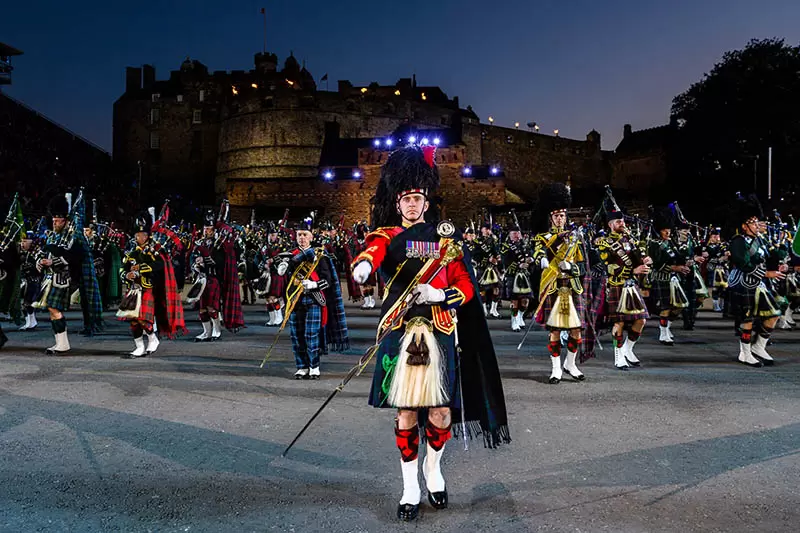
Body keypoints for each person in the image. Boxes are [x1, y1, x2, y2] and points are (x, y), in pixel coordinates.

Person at [351, 145, 509, 522]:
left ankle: (433, 469)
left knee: (440, 412)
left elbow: (466, 285)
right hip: (400, 328)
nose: (410, 204)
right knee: (405, 412)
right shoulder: (385, 235)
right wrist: (362, 267)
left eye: (416, 197)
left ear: (426, 201)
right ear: (397, 201)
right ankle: (409, 485)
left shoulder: (445, 240)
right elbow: (371, 253)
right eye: (405, 198)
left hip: (439, 329)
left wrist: (440, 293)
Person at [278, 215, 349, 379]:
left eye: (305, 235)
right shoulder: (291, 255)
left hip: (314, 299)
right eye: (299, 235)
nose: (302, 238)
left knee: (311, 334)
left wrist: (314, 285)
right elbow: (286, 280)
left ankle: (314, 366)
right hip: (295, 300)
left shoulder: (320, 255)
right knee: (297, 334)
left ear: (311, 236)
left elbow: (329, 280)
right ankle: (301, 366)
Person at [532, 182, 587, 383]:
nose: (560, 218)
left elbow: (583, 264)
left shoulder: (575, 238)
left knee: (577, 329)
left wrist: (572, 269)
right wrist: (542, 259)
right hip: (553, 285)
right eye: (556, 215)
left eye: (562, 215)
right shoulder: (542, 238)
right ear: (551, 218)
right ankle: (556, 369)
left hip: (571, 286)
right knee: (555, 330)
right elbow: (537, 253)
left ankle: (570, 364)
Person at [727, 195, 784, 366]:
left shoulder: (760, 240)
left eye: (757, 222)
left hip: (758, 284)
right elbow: (743, 263)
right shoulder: (738, 241)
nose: (757, 225)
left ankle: (759, 346)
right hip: (743, 283)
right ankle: (744, 353)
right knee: (747, 319)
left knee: (773, 314)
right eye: (753, 222)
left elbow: (770, 257)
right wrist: (767, 274)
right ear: (744, 226)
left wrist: (779, 258)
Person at [596, 209, 652, 370]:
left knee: (641, 320)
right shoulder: (604, 242)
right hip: (616, 285)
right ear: (610, 224)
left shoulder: (629, 241)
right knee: (619, 322)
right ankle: (618, 355)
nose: (622, 224)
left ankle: (628, 349)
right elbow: (608, 268)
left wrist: (645, 260)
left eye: (623, 221)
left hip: (631, 285)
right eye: (619, 221)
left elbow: (636, 259)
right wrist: (633, 271)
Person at [117, 214, 163, 357]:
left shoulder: (154, 251)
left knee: (143, 318)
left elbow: (160, 265)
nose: (140, 237)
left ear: (147, 235)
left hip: (147, 287)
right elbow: (122, 268)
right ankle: (139, 347)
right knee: (133, 319)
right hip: (133, 289)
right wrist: (126, 275)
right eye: (138, 234)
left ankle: (153, 339)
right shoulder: (131, 252)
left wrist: (140, 268)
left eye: (143, 234)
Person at [647, 207, 689, 346]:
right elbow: (656, 263)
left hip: (673, 279)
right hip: (660, 278)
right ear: (658, 230)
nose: (667, 232)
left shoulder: (671, 242)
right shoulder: (654, 244)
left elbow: (678, 256)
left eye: (669, 230)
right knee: (665, 307)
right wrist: (674, 267)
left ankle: (667, 326)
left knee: (679, 306)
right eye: (665, 230)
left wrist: (687, 261)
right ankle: (663, 333)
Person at [501, 224, 533, 331]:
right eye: (514, 233)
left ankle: (520, 316)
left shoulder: (524, 245)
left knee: (525, 301)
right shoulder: (505, 246)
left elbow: (530, 256)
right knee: (514, 300)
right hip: (512, 274)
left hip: (524, 275)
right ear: (510, 234)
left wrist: (530, 260)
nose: (516, 235)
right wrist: (519, 265)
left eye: (518, 233)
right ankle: (514, 320)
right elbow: (505, 261)